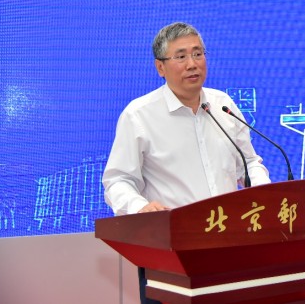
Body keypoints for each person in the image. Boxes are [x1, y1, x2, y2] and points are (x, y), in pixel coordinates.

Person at [102, 22, 271, 304]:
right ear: (160, 67)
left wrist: (264, 192)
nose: (192, 64)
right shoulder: (139, 115)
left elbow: (249, 162)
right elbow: (117, 180)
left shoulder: (223, 105)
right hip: (171, 252)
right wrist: (140, 208)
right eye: (181, 56)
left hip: (231, 246)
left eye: (198, 54)